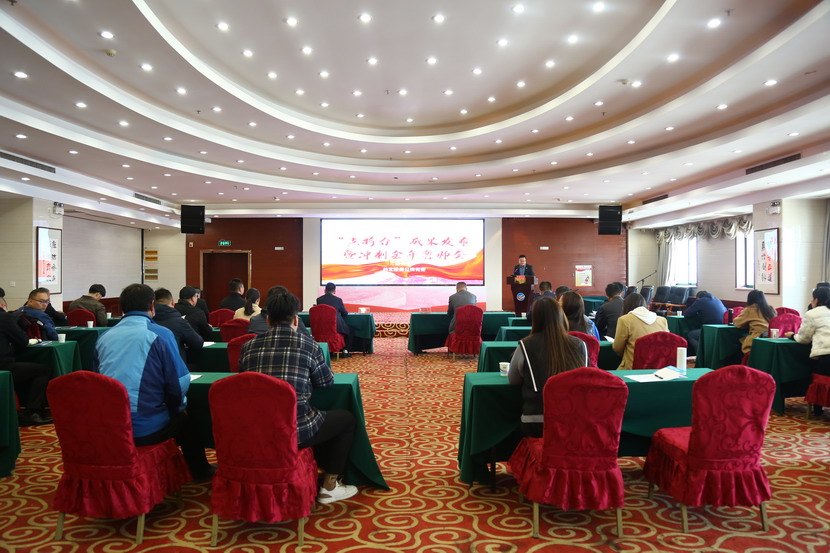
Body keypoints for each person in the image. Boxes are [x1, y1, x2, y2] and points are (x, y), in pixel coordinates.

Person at [239, 291, 358, 504]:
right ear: (296, 320)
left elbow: (243, 383)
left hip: (253, 429)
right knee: (346, 419)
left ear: (268, 320)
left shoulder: (248, 346)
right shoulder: (308, 345)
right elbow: (326, 383)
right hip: (295, 431)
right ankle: (330, 486)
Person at [94, 283, 212, 480]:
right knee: (188, 421)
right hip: (144, 427)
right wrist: (177, 407)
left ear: (121, 307)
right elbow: (179, 383)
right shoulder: (160, 334)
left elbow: (96, 381)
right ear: (152, 305)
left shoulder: (104, 337)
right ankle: (200, 472)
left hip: (109, 425)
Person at [507, 297, 587, 438]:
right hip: (573, 419)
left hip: (536, 421)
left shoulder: (526, 345)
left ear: (535, 319)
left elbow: (513, 380)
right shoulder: (580, 345)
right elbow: (585, 381)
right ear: (561, 315)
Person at [0, 297, 52, 426]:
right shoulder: (5, 318)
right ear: (2, 305)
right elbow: (23, 341)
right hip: (3, 367)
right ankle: (31, 413)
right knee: (43, 370)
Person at [787, 286, 830, 415]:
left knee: (807, 368)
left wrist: (792, 335)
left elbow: (803, 339)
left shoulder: (813, 313)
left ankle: (817, 409)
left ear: (816, 300)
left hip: (826, 357)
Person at [612, 293, 669, 370]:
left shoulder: (625, 320)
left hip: (632, 368)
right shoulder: (662, 320)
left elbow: (617, 348)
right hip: (657, 368)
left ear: (626, 306)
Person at [153, 287, 203, 361]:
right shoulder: (179, 322)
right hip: (174, 364)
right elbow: (197, 343)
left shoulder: (146, 322)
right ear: (172, 303)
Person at [733, 289, 777, 357]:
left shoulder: (750, 309)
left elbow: (737, 323)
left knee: (737, 345)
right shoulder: (770, 309)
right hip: (772, 337)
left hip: (757, 339)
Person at [683, 290, 727, 355]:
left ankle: (700, 355)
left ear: (698, 298)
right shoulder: (718, 300)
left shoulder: (700, 301)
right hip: (722, 329)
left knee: (691, 335)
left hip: (711, 329)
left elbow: (686, 314)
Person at [316, 282, 353, 356]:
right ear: (335, 291)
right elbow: (345, 313)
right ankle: (345, 351)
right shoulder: (338, 300)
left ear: (325, 290)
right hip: (335, 327)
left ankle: (330, 351)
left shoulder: (319, 300)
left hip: (322, 326)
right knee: (351, 330)